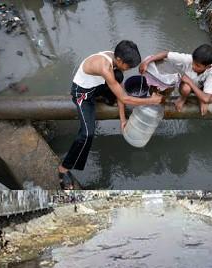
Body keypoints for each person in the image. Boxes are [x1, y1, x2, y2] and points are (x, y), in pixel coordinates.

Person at [59, 40, 163, 190]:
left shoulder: (114, 58)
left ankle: (106, 98)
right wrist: (151, 100)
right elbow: (125, 98)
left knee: (119, 76)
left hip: (96, 87)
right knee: (87, 134)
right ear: (119, 60)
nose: (129, 69)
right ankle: (63, 169)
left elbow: (119, 88)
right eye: (129, 66)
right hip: (82, 93)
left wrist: (122, 120)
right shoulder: (104, 66)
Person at [139, 44, 212, 115]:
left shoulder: (211, 72)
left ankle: (199, 98)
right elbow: (165, 54)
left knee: (211, 99)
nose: (193, 66)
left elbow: (207, 99)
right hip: (185, 86)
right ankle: (183, 97)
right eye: (193, 62)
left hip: (199, 87)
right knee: (186, 88)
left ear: (207, 67)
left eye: (197, 65)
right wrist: (146, 62)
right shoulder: (188, 59)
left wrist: (190, 82)